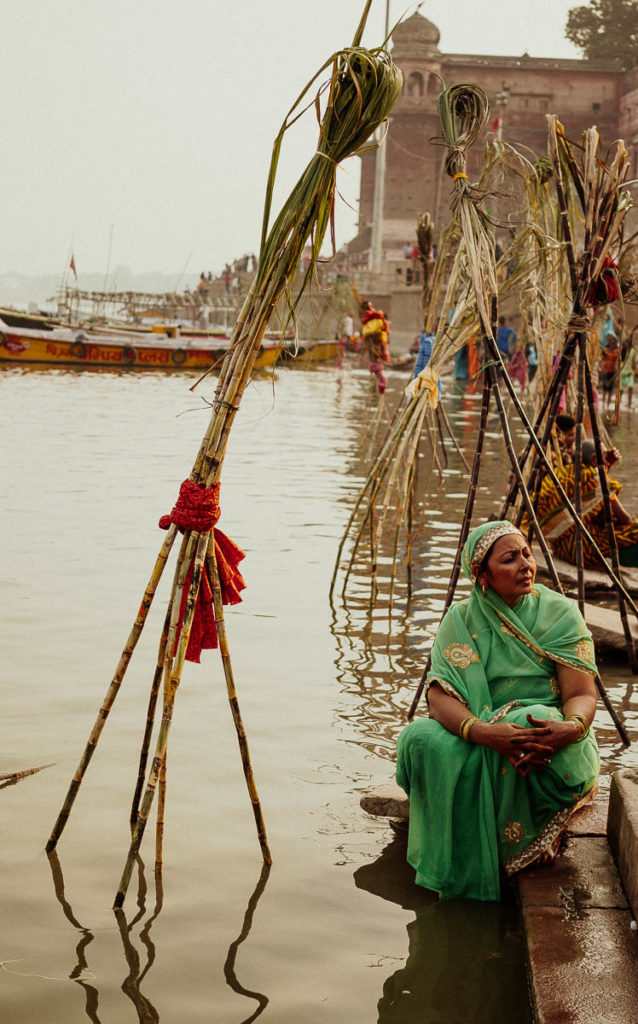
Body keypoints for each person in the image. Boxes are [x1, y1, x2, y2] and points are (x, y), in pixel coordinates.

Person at [396, 520, 599, 902]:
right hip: (484, 731)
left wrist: (570, 729)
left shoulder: (560, 614)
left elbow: (581, 693)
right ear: (482, 575)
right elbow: (439, 699)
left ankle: (533, 837)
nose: (525, 564)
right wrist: (484, 733)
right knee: (418, 738)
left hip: (544, 737)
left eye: (526, 553)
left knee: (527, 720)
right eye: (510, 559)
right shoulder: (460, 620)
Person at [532, 439, 638, 568]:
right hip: (583, 550)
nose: (607, 461)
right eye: (604, 457)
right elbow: (625, 519)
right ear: (594, 460)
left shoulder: (562, 473)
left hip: (561, 548)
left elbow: (593, 504)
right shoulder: (598, 480)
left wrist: (606, 466)